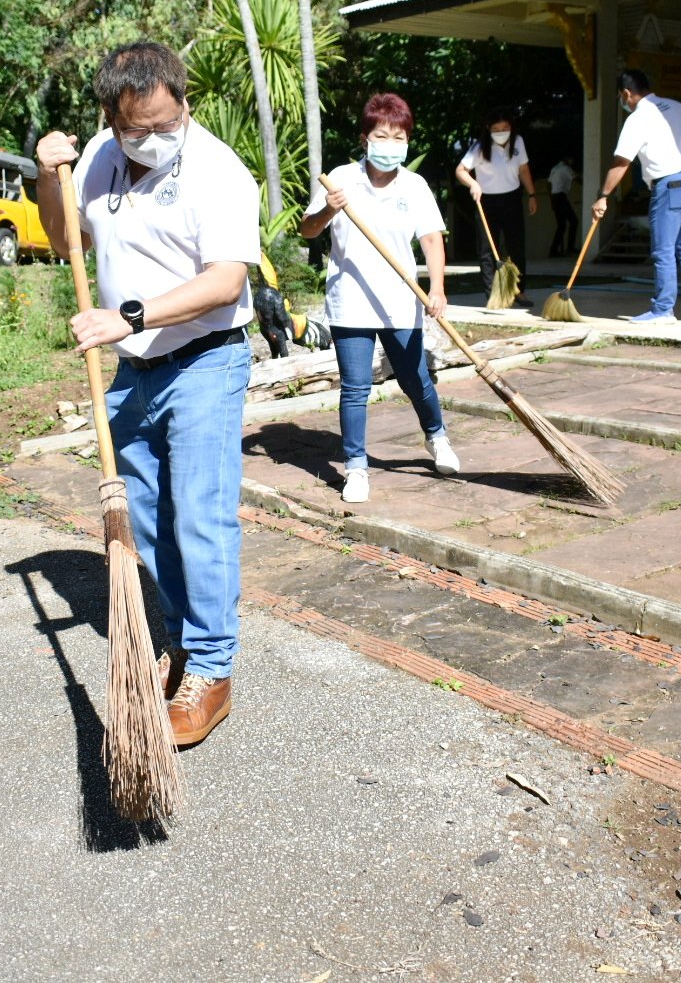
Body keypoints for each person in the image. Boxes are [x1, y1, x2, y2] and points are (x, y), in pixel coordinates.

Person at [33, 41, 258, 747]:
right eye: (141, 128)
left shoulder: (218, 169)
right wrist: (47, 178)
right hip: (136, 371)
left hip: (206, 361)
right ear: (113, 117)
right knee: (149, 524)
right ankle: (185, 644)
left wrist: (129, 317)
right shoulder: (99, 157)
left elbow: (226, 281)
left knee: (200, 517)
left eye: (170, 122)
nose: (158, 137)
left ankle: (212, 671)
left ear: (183, 102)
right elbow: (63, 238)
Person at [302, 92, 460, 505]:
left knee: (415, 380)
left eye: (398, 137)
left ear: (407, 141)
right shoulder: (341, 179)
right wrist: (328, 210)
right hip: (350, 302)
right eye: (381, 136)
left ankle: (437, 437)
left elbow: (431, 240)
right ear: (365, 139)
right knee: (355, 388)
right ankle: (356, 468)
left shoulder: (415, 186)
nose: (390, 145)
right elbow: (308, 230)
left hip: (400, 300)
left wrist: (437, 289)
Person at [591, 69, 681, 324]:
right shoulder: (675, 106)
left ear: (626, 93)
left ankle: (663, 309)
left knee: (663, 248)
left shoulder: (637, 119)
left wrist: (603, 195)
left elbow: (622, 161)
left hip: (671, 184)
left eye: (621, 97)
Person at [455, 108, 537, 307]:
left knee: (516, 247)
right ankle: (493, 295)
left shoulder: (518, 142)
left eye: (505, 128)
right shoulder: (479, 147)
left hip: (512, 199)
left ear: (511, 127)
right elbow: (461, 170)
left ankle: (519, 291)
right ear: (488, 129)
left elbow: (524, 169)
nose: (502, 132)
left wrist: (532, 194)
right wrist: (473, 184)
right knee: (487, 250)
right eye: (497, 129)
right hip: (486, 202)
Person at [547, 155, 579, 256]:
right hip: (561, 197)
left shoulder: (555, 168)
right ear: (566, 159)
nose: (572, 161)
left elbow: (549, 184)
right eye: (570, 159)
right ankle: (570, 247)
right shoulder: (566, 168)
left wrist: (551, 201)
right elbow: (576, 178)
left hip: (554, 198)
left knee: (561, 225)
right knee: (574, 221)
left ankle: (554, 250)